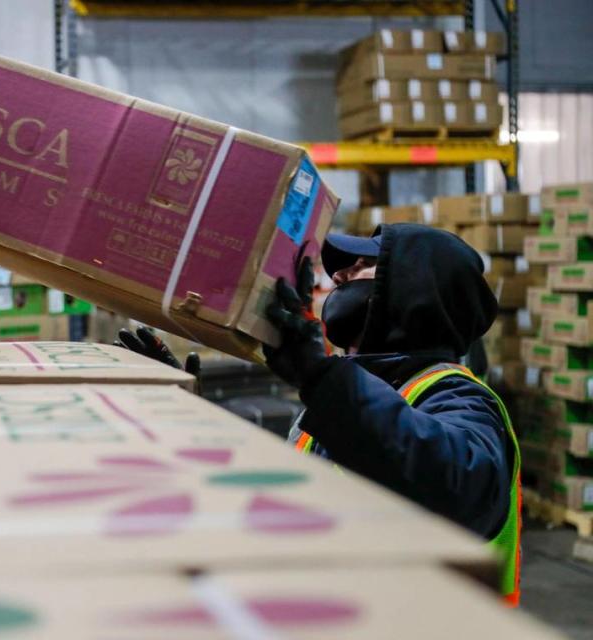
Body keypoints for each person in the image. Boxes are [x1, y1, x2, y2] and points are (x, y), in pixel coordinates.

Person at [118, 223, 521, 605]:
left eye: (363, 265)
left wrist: (321, 377)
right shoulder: (349, 396)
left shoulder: (457, 396)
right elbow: (276, 499)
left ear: (416, 290)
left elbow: (456, 484)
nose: (341, 276)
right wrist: (187, 414)